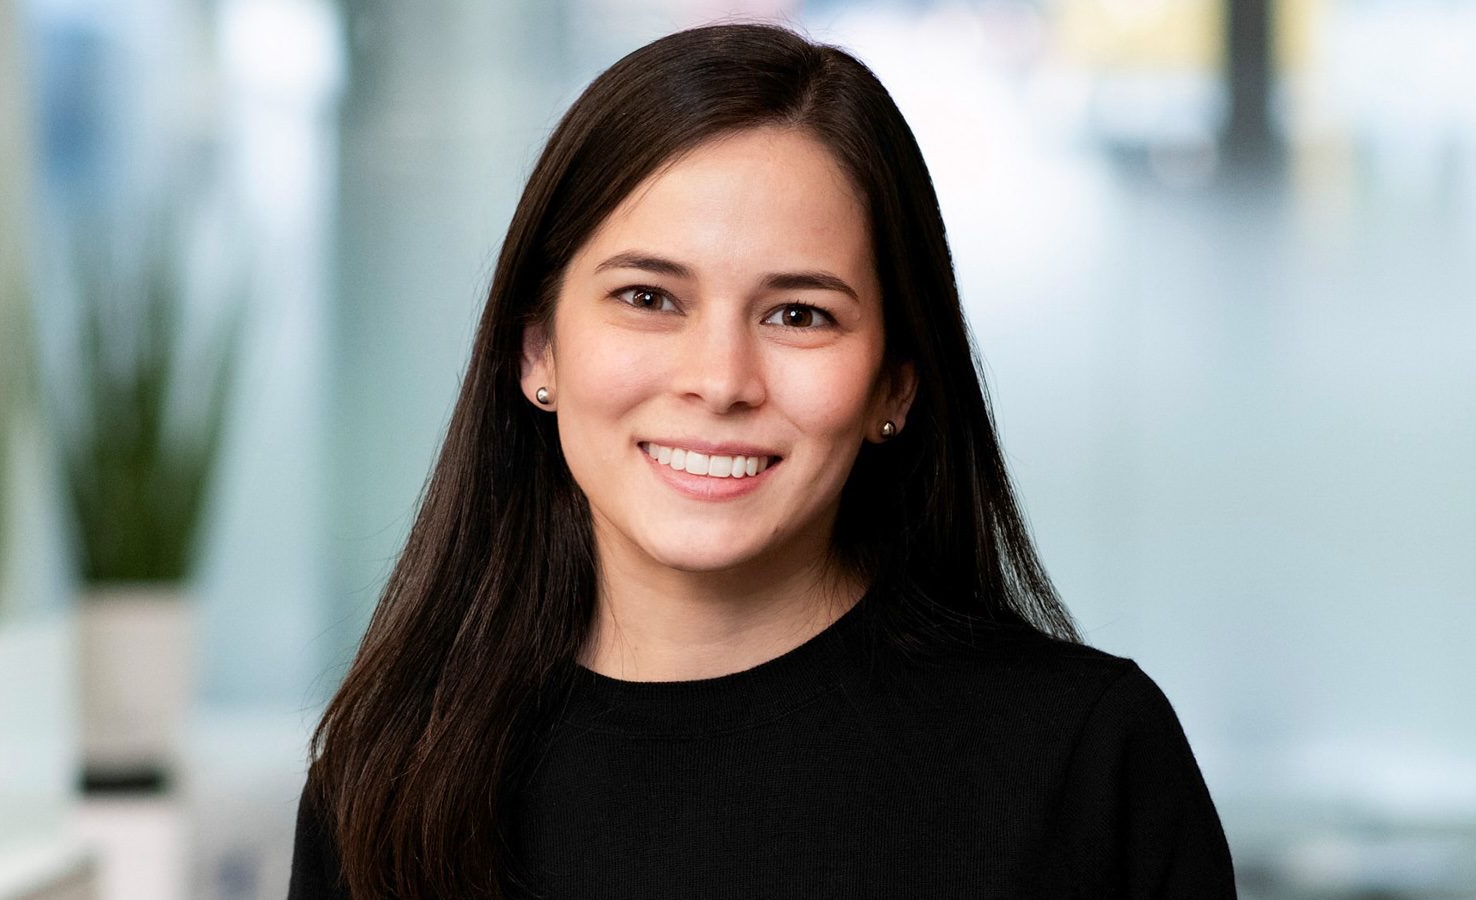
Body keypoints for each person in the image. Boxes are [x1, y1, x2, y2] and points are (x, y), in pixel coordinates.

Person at [289, 21, 1236, 900]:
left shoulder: (1083, 760)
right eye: (649, 298)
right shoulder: (387, 781)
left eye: (799, 314)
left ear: (894, 387)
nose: (721, 380)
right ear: (537, 349)